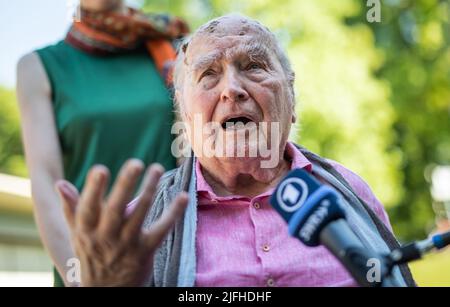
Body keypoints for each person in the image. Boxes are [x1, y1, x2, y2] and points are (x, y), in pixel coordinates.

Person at [54, 14, 416, 287]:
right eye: (208, 74)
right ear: (184, 112)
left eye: (254, 66)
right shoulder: (136, 228)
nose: (232, 89)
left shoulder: (351, 191)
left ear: (291, 98)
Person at [16, 0, 188, 286]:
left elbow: (195, 161)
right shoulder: (38, 67)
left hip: (171, 256)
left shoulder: (172, 51)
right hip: (88, 262)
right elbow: (46, 184)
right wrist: (84, 277)